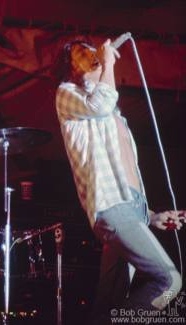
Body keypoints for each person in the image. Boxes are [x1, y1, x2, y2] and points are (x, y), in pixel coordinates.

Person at [53, 38, 185, 324]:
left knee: (108, 303)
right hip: (111, 208)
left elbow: (124, 171)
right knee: (170, 282)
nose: (93, 55)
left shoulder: (115, 114)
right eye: (83, 53)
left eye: (93, 51)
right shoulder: (67, 94)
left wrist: (150, 216)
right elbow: (99, 103)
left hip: (130, 207)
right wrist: (109, 63)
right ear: (69, 67)